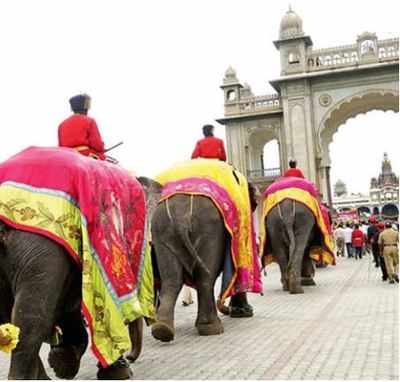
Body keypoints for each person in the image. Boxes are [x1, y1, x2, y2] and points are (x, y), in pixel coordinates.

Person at [58, 94, 106, 160]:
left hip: (67, 158)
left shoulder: (62, 125)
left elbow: (60, 147)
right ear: (85, 108)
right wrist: (102, 148)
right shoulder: (90, 121)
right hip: (85, 155)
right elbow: (97, 145)